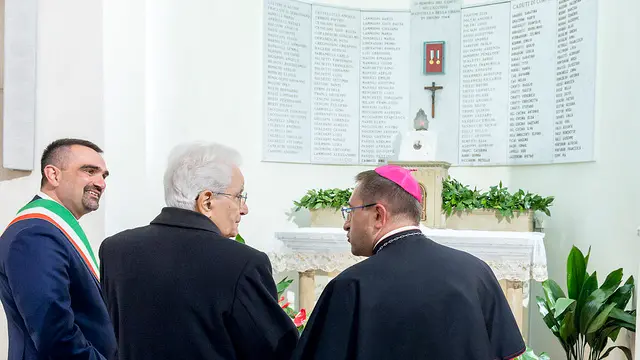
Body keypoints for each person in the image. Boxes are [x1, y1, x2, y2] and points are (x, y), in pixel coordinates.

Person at [292, 165, 526, 360]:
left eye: (351, 211)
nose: (346, 224)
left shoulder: (349, 286)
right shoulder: (476, 272)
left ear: (378, 215)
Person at [99, 142, 298, 360]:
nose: (244, 208)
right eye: (239, 196)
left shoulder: (115, 249)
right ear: (207, 201)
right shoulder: (242, 263)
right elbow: (277, 351)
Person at [0, 138, 117, 360]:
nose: (101, 183)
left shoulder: (52, 231)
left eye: (103, 175)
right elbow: (56, 335)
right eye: (89, 171)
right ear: (53, 175)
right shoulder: (34, 235)